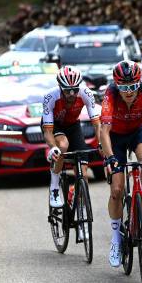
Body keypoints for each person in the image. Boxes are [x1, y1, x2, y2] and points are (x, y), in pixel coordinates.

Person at [100, 61, 142, 267]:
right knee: (117, 191)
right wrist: (110, 156)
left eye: (132, 87)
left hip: (137, 132)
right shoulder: (110, 94)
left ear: (139, 83)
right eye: (123, 87)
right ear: (116, 85)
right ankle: (116, 238)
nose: (128, 92)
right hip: (116, 138)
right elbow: (104, 130)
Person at [42, 66, 100, 209]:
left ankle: (76, 197)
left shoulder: (86, 93)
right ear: (60, 87)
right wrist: (53, 148)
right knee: (62, 145)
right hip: (54, 126)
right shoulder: (50, 97)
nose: (72, 94)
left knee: (83, 172)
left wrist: (102, 143)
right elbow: (48, 131)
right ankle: (54, 188)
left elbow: (97, 125)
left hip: (73, 125)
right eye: (68, 90)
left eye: (75, 89)